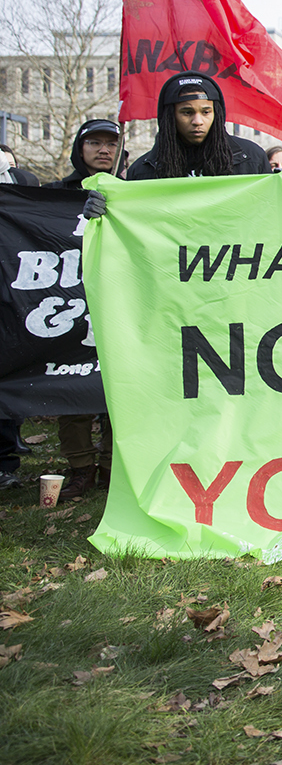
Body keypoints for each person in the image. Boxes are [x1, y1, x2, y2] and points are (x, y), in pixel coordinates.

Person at [46, 118, 123, 500]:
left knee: (115, 390)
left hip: (118, 303)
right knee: (72, 387)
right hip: (67, 307)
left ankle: (111, 467)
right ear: (81, 148)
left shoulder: (134, 192)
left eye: (111, 143)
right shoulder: (53, 196)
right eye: (95, 142)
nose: (104, 150)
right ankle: (79, 469)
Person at [126, 71, 272, 179]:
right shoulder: (142, 171)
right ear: (170, 117)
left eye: (206, 112)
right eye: (187, 112)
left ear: (217, 114)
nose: (198, 121)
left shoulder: (252, 158)